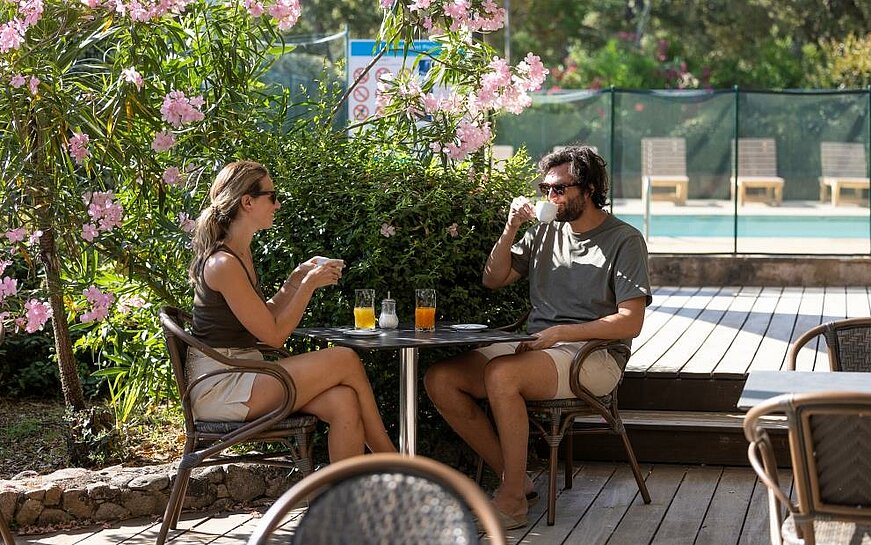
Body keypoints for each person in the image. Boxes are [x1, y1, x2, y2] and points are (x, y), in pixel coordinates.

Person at [424, 146, 651, 529]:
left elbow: (630, 322)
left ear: (591, 188)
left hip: (594, 355)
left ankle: (511, 500)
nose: (550, 197)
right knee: (441, 379)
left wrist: (563, 332)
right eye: (545, 189)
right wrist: (511, 228)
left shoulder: (624, 240)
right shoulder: (543, 232)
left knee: (502, 374)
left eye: (559, 189)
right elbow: (492, 279)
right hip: (539, 346)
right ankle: (517, 477)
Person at [187, 160, 396, 462]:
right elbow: (273, 337)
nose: (278, 203)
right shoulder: (224, 263)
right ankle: (397, 465)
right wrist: (308, 286)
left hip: (245, 373)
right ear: (247, 202)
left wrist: (295, 280)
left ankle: (344, 502)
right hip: (222, 386)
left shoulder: (239, 253)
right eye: (271, 196)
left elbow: (264, 316)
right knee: (345, 358)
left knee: (343, 400)